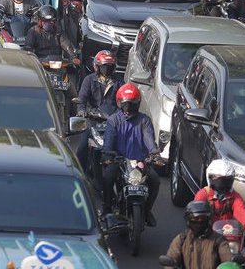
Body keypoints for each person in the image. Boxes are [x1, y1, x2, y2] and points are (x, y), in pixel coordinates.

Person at [101, 84, 161, 226]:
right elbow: (109, 140)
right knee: (108, 177)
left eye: (131, 104)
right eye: (126, 104)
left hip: (140, 163)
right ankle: (107, 209)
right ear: (120, 103)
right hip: (119, 162)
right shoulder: (113, 120)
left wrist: (154, 154)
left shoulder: (144, 120)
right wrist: (108, 155)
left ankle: (146, 210)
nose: (128, 109)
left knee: (155, 180)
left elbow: (149, 139)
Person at [194, 160, 245, 237]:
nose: (224, 184)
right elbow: (196, 214)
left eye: (227, 180)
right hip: (206, 235)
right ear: (211, 178)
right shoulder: (203, 194)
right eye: (221, 180)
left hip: (227, 235)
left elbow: (240, 211)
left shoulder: (234, 196)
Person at [164, 200, 235, 269]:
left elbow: (227, 260)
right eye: (195, 219)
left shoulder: (219, 240)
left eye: (203, 218)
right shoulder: (181, 240)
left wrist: (233, 263)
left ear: (209, 219)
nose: (199, 221)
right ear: (188, 220)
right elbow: (171, 261)